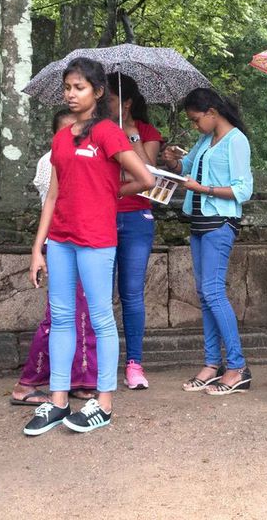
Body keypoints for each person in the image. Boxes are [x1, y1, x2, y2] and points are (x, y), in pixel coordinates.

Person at [24, 58, 154, 436]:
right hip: (61, 240)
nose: (70, 94)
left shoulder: (109, 133)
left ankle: (105, 403)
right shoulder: (61, 138)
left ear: (98, 92)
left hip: (96, 239)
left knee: (100, 318)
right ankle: (59, 401)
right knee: (62, 319)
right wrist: (38, 248)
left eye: (78, 87)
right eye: (67, 87)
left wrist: (110, 191)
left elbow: (145, 178)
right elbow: (52, 195)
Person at [162, 88, 253, 395]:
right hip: (199, 222)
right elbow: (185, 172)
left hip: (220, 223)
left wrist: (204, 189)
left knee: (214, 292)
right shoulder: (205, 140)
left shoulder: (236, 140)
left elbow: (243, 190)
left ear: (213, 112)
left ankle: (238, 367)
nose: (194, 126)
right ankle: (212, 364)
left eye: (196, 119)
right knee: (204, 295)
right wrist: (173, 162)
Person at [10, 108, 97, 406]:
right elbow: (60, 201)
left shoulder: (86, 155)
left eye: (80, 129)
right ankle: (27, 383)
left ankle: (78, 379)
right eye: (68, 130)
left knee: (83, 314)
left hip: (83, 243)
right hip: (61, 243)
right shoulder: (51, 161)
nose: (75, 134)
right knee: (59, 318)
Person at [106, 74, 163, 390]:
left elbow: (149, 174)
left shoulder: (146, 132)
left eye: (112, 101)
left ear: (126, 103)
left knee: (131, 293)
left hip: (137, 219)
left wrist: (130, 136)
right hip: (102, 218)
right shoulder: (98, 132)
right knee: (102, 293)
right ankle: (100, 363)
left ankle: (134, 364)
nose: (107, 106)